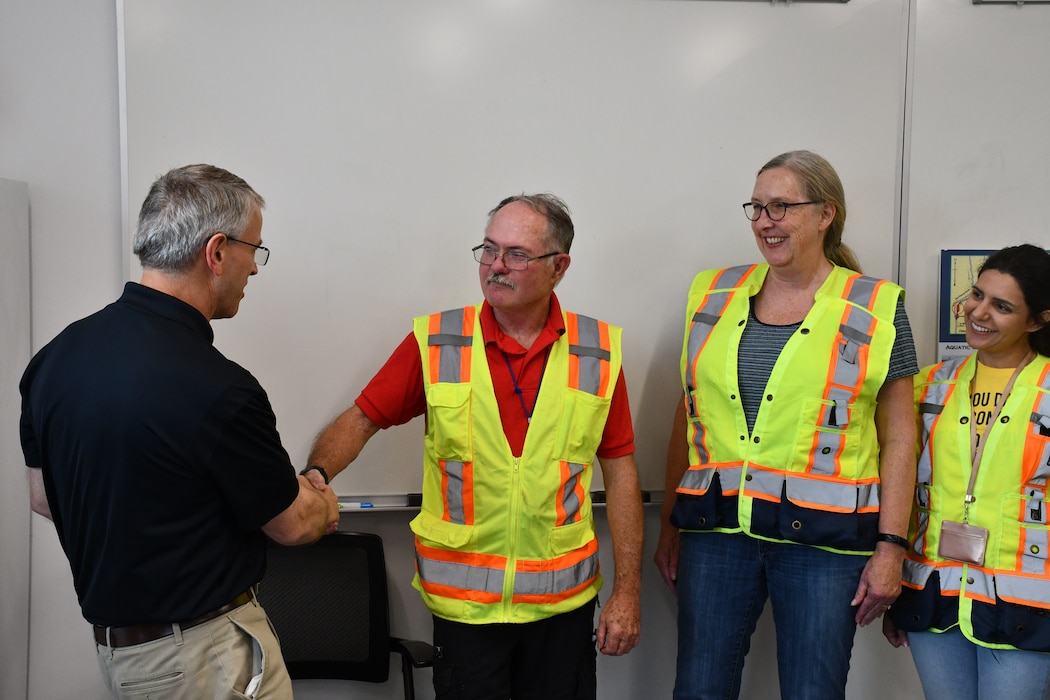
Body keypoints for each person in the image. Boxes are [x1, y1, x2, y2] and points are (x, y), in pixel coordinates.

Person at [304, 193, 643, 700]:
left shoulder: (596, 351)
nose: (496, 267)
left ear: (559, 267)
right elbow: (359, 420)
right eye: (488, 250)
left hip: (562, 611)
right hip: (466, 614)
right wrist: (315, 478)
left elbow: (620, 473)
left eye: (516, 254)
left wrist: (628, 593)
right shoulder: (438, 341)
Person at [19, 164, 340, 699]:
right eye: (253, 251)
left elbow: (44, 498)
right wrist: (322, 503)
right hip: (204, 658)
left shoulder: (52, 361)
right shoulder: (220, 388)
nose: (255, 271)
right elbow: (293, 526)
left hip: (127, 659)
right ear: (216, 253)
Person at [653, 150, 919, 700]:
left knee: (812, 692)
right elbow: (690, 410)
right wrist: (670, 526)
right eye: (757, 207)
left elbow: (899, 436)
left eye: (782, 206)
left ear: (825, 214)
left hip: (825, 541)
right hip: (718, 532)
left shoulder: (875, 306)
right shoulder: (713, 293)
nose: (765, 221)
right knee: (699, 689)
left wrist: (892, 547)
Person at [884, 245, 1050, 700]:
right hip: (933, 592)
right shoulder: (928, 385)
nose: (978, 312)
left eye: (1002, 306)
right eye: (977, 294)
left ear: (1036, 321)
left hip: (1026, 604)